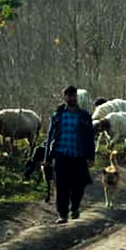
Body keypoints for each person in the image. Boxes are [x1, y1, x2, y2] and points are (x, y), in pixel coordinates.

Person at [44, 85, 96, 224]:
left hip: (78, 155)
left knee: (79, 184)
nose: (72, 98)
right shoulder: (58, 116)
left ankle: (75, 207)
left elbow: (90, 137)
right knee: (61, 185)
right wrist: (47, 158)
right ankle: (62, 214)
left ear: (76, 97)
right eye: (69, 96)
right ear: (65, 97)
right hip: (61, 155)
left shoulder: (84, 116)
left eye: (74, 96)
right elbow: (50, 136)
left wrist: (91, 156)